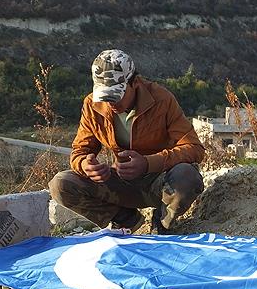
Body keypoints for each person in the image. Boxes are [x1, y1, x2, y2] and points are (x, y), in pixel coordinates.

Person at [49, 49, 205, 234]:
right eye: (105, 97)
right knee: (61, 185)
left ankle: (161, 224)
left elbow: (194, 148)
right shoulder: (93, 106)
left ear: (135, 83)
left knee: (187, 176)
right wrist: (86, 165)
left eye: (116, 95)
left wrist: (148, 163)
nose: (111, 103)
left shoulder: (162, 100)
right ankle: (126, 219)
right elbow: (79, 151)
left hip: (161, 183)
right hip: (121, 183)